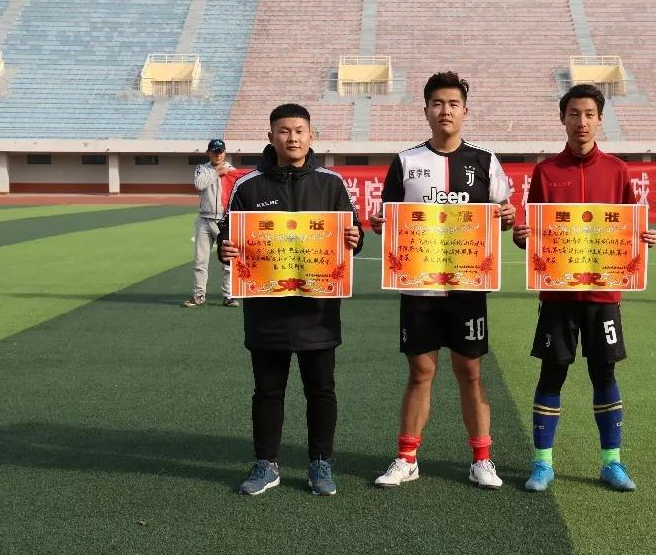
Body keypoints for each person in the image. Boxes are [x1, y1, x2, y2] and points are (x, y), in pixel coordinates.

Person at [368, 72, 516, 489]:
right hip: (420, 285)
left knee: (470, 371)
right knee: (420, 372)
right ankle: (407, 458)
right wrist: (381, 224)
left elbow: (503, 215)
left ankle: (482, 459)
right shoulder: (406, 161)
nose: (445, 111)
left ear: (465, 111)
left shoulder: (485, 160)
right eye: (437, 103)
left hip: (468, 285)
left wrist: (507, 217)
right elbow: (391, 219)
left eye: (453, 104)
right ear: (426, 110)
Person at [511, 84, 656, 493]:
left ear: (600, 119)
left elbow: (629, 225)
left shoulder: (617, 170)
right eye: (574, 113)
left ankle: (612, 462)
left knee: (603, 373)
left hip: (603, 295)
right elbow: (533, 232)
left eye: (589, 114)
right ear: (563, 118)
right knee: (552, 372)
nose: (582, 121)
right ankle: (543, 463)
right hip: (557, 296)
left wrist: (642, 239)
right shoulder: (545, 171)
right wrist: (523, 237)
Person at [218, 104, 363, 497]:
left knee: (321, 390)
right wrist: (225, 249)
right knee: (268, 391)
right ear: (271, 137)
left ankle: (320, 463)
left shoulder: (331, 183)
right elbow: (228, 236)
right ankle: (266, 464)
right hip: (267, 310)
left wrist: (355, 238)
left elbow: (353, 232)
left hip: (318, 309)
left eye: (300, 130)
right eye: (284, 131)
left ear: (312, 136)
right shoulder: (248, 186)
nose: (292, 137)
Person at [184, 138, 238, 308]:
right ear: (208, 153)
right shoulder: (202, 169)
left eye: (220, 151)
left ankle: (228, 296)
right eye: (214, 152)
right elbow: (199, 185)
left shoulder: (232, 170)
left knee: (228, 261)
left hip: (224, 220)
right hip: (204, 220)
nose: (218, 154)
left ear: (225, 153)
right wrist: (216, 173)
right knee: (200, 261)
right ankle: (199, 296)